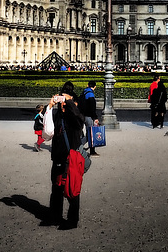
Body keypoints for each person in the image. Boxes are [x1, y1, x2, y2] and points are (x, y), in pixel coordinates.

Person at [47, 82, 84, 229]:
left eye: (67, 102)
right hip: (57, 157)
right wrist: (50, 106)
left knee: (72, 189)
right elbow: (47, 128)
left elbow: (79, 117)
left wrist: (69, 102)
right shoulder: (59, 116)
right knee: (56, 189)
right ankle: (55, 216)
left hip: (71, 158)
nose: (63, 105)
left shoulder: (75, 119)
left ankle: (72, 220)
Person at [78, 81, 100, 157]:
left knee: (87, 133)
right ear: (95, 87)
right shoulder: (91, 94)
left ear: (87, 85)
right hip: (89, 116)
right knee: (90, 134)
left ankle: (78, 146)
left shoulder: (83, 93)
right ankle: (81, 147)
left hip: (82, 115)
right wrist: (95, 117)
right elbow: (92, 108)